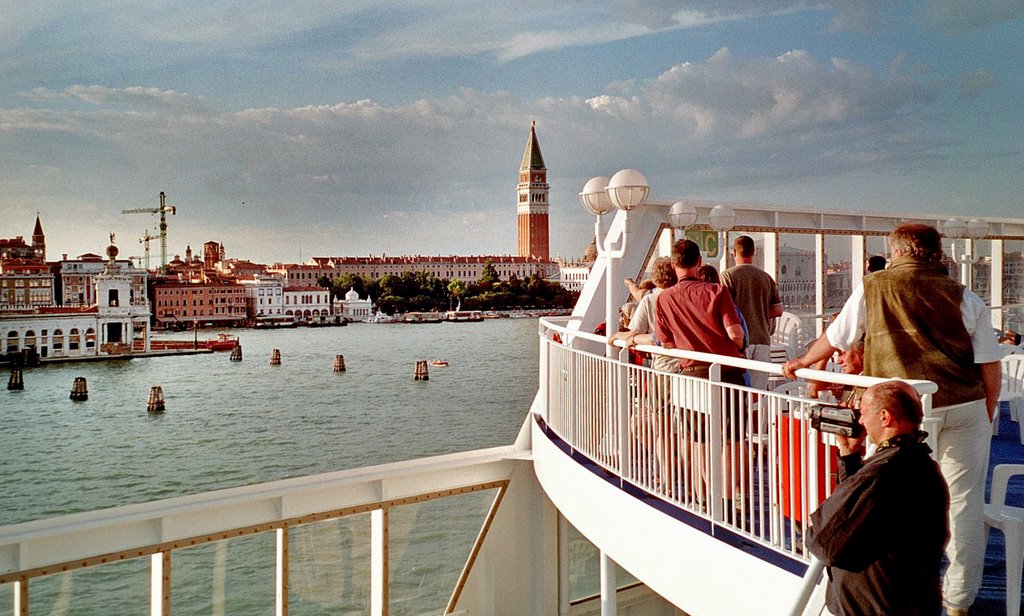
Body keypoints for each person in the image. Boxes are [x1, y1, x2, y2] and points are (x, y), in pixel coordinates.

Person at [782, 223, 1002, 615]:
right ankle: (958, 603)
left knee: (884, 502)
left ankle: (885, 586)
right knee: (963, 505)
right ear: (936, 255)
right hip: (963, 406)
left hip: (900, 413)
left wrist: (801, 362)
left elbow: (836, 338)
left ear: (896, 251)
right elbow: (988, 364)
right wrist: (985, 410)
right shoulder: (965, 296)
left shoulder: (874, 287)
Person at [808, 380, 949, 616]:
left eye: (863, 413)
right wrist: (849, 456)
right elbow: (860, 515)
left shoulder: (883, 473)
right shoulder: (919, 463)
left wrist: (813, 527)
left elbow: (826, 541)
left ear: (885, 417)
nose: (860, 421)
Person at [720, 235, 783, 389]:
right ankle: (758, 413)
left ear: (734, 252)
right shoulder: (766, 277)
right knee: (759, 390)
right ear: (753, 252)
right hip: (762, 339)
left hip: (740, 341)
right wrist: (758, 310)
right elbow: (778, 310)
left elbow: (724, 308)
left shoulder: (727, 276)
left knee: (740, 389)